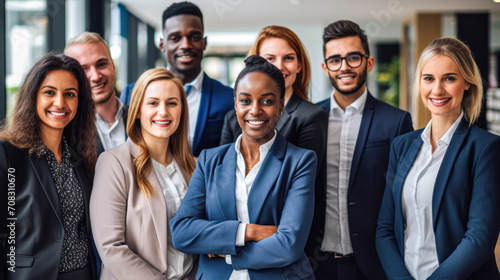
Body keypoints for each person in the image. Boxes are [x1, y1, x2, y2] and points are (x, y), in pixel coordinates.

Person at [170, 55, 317, 280]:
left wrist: (225, 252)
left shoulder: (300, 161)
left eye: (267, 101)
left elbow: (289, 245)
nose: (255, 110)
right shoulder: (209, 160)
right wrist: (248, 232)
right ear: (235, 104)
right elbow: (181, 232)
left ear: (280, 106)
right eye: (245, 100)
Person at [376, 37, 500, 280]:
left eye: (449, 78)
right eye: (429, 78)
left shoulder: (486, 148)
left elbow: (479, 239)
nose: (437, 90)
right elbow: (385, 230)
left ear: (467, 82)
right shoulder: (402, 146)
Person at [308, 20, 413, 280]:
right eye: (335, 60)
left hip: (373, 264)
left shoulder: (396, 121)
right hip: (314, 263)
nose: (344, 67)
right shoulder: (309, 119)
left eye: (353, 57)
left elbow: (405, 198)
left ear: (369, 62)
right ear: (325, 67)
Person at [90, 68, 197, 280]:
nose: (163, 111)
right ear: (138, 110)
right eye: (153, 103)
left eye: (172, 103)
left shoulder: (193, 166)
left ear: (182, 111)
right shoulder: (114, 163)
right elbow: (111, 247)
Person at [0, 52, 98, 279]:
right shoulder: (7, 154)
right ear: (33, 95)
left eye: (70, 94)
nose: (60, 102)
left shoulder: (83, 156)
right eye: (49, 92)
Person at [120, 1, 233, 156]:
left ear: (204, 43)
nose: (185, 45)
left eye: (194, 37)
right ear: (162, 44)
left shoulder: (228, 98)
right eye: (175, 38)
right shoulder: (133, 92)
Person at [220, 25, 328, 167]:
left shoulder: (311, 117)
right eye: (270, 59)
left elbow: (304, 177)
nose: (279, 66)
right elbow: (222, 173)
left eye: (288, 58)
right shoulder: (232, 119)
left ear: (299, 65)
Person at [65, 32, 128, 155]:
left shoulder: (142, 119)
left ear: (113, 66)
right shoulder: (66, 132)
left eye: (101, 64)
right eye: (83, 69)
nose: (95, 77)